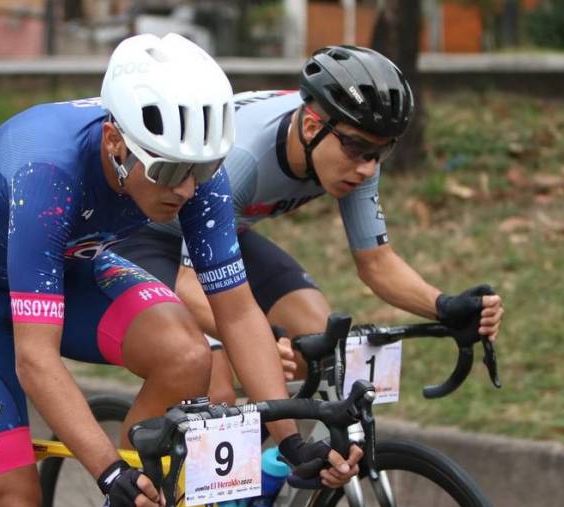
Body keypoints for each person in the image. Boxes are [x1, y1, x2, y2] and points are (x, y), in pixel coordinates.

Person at [0, 34, 359, 507]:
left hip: (73, 261)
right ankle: (111, 499)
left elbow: (237, 312)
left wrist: (290, 443)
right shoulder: (46, 172)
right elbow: (35, 360)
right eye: (170, 171)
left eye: (205, 167)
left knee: (187, 354)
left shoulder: (193, 173)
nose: (189, 190)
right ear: (114, 142)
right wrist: (105, 472)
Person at [114, 45, 505, 402]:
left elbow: (376, 262)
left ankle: (272, 469)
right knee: (218, 388)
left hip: (219, 238)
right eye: (357, 149)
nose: (367, 167)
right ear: (314, 127)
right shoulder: (243, 159)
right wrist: (263, 340)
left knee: (320, 346)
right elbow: (189, 283)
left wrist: (444, 306)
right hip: (145, 237)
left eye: (381, 151)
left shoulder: (352, 158)